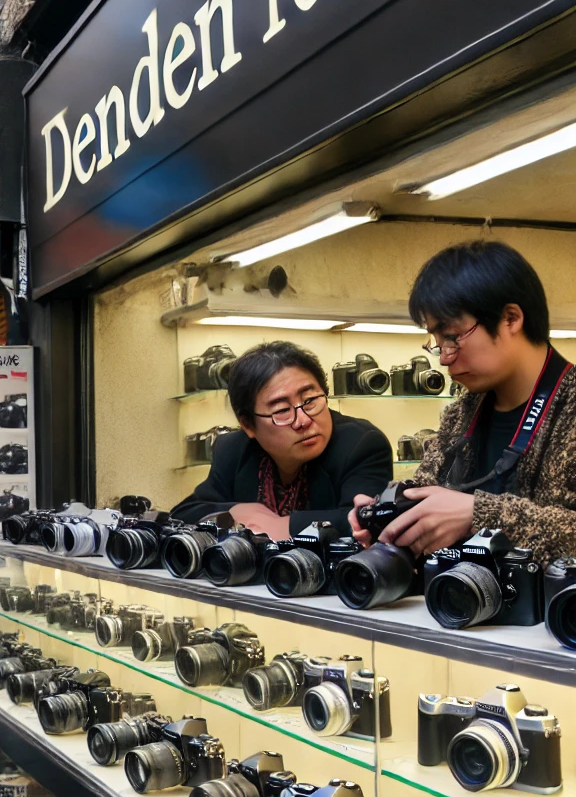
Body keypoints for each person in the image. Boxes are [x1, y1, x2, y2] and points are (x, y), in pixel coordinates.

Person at [350, 240, 576, 562]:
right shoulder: (462, 412)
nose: (443, 358)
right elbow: (429, 488)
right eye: (437, 342)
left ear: (511, 318)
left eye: (453, 337)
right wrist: (391, 512)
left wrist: (479, 514)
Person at [173, 341, 393, 538]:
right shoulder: (233, 448)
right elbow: (183, 514)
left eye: (310, 400)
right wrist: (235, 511)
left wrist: (285, 525)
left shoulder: (361, 444)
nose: (303, 421)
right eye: (281, 410)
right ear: (248, 425)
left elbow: (367, 520)